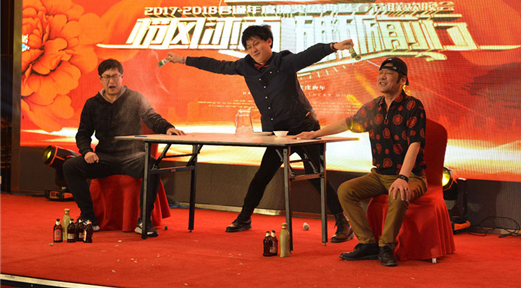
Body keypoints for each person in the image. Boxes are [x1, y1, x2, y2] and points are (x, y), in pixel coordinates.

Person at [163, 24, 354, 242]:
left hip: (304, 129)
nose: (253, 49)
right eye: (249, 46)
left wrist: (333, 46)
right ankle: (244, 218)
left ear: (268, 42)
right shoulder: (246, 66)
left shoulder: (283, 61)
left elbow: (308, 55)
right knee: (262, 176)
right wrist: (183, 59)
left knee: (316, 175)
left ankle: (343, 223)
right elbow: (216, 65)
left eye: (257, 44)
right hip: (277, 134)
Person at [293, 57, 427, 266]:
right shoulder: (374, 106)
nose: (382, 77)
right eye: (380, 72)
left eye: (389, 73)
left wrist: (403, 177)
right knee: (346, 190)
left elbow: (415, 144)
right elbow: (348, 123)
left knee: (398, 192)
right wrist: (314, 134)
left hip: (412, 176)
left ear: (402, 80)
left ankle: (386, 247)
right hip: (379, 175)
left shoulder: (413, 106)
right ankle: (367, 244)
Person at [63, 59, 185, 237]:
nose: (111, 81)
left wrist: (168, 128)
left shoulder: (136, 98)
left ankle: (144, 221)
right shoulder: (92, 104)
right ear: (100, 79)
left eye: (115, 76)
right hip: (104, 158)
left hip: (132, 157)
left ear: (122, 77)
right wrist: (87, 151)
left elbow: (153, 117)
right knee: (70, 166)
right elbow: (82, 134)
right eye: (107, 77)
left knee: (152, 166)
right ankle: (89, 217)